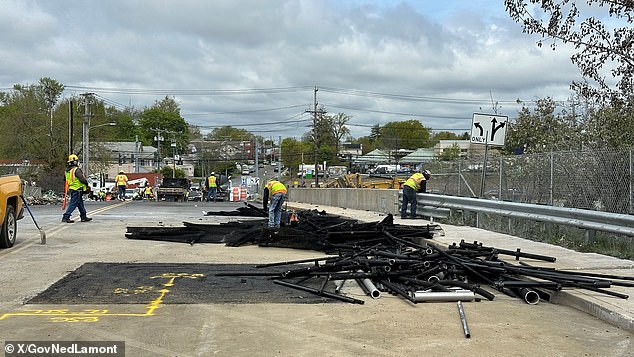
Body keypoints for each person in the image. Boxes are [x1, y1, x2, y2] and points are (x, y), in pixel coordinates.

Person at [61, 154, 92, 223]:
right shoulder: (76, 170)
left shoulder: (66, 171)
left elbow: (65, 179)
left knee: (80, 203)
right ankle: (66, 216)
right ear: (75, 162)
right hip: (78, 189)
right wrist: (86, 184)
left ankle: (83, 216)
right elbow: (82, 179)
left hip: (72, 188)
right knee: (73, 203)